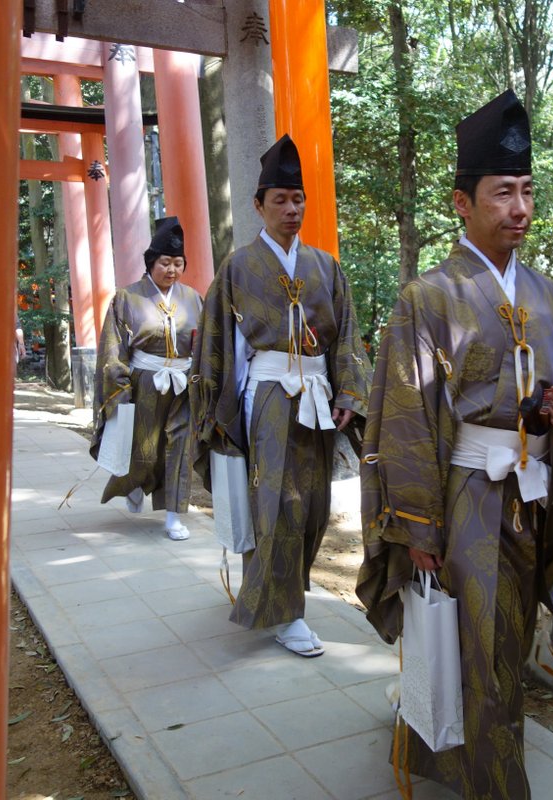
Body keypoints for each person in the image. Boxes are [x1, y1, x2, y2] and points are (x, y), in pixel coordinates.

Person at [355, 90, 553, 799]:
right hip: (466, 495)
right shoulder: (428, 298)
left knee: (503, 639)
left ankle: (439, 749)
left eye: (527, 191)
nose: (519, 208)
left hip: (532, 493)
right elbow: (404, 415)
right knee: (484, 645)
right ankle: (498, 785)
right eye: (502, 192)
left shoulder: (552, 297)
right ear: (462, 203)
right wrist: (418, 525)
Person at [193, 134, 372, 657]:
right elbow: (218, 346)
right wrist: (222, 412)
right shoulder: (237, 268)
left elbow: (346, 335)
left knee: (313, 503)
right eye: (280, 200)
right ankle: (285, 613)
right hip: (267, 395)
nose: (292, 210)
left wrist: (349, 393)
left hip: (317, 394)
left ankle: (280, 593)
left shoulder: (325, 266)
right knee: (275, 502)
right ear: (259, 205)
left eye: (298, 200)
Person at [89, 217, 204, 540]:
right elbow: (114, 346)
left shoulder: (193, 298)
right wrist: (119, 387)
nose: (172, 270)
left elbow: (206, 342)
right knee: (144, 447)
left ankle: (173, 516)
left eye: (178, 264)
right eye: (165, 263)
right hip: (144, 383)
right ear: (151, 263)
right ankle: (135, 483)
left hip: (183, 384)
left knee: (180, 448)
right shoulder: (127, 297)